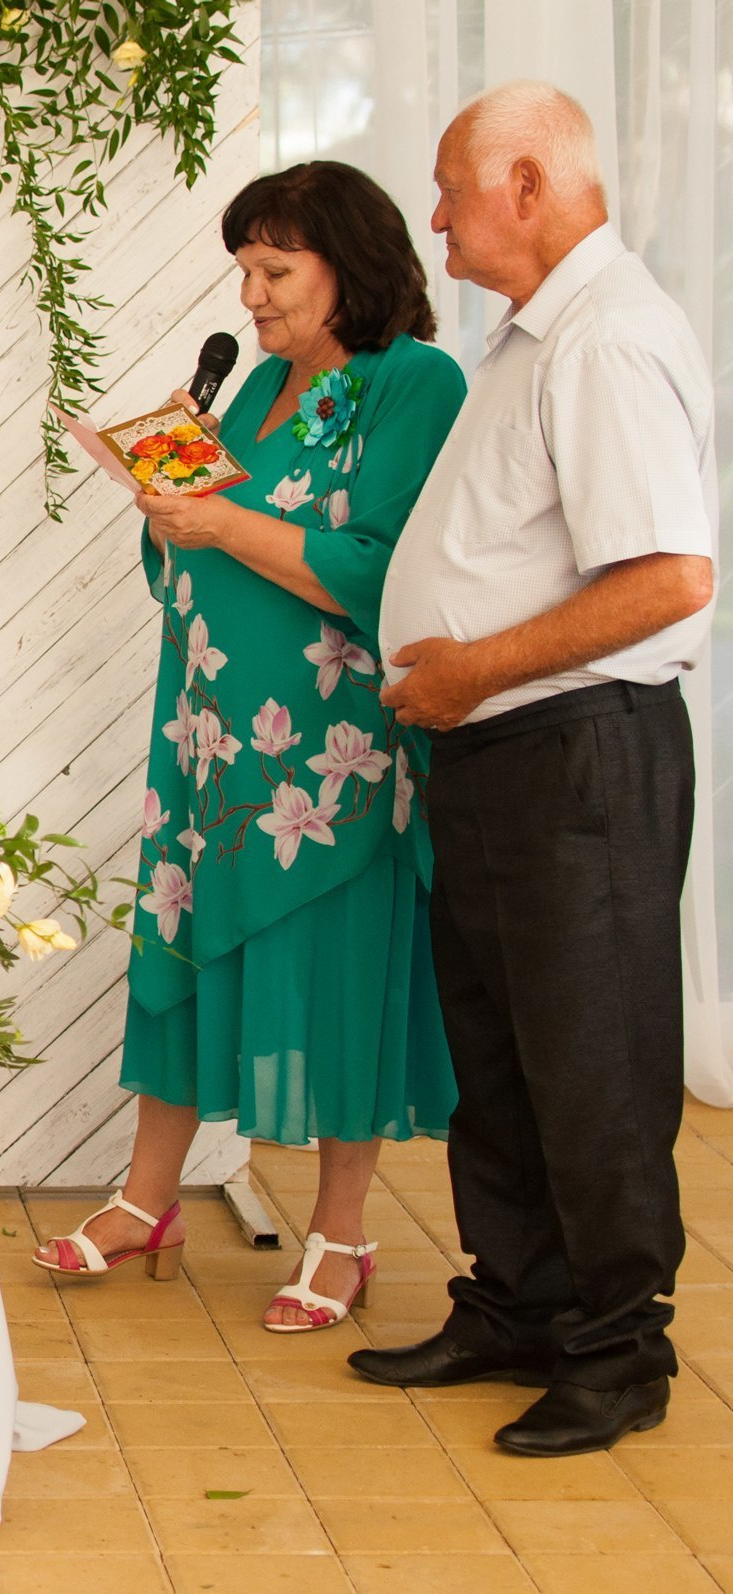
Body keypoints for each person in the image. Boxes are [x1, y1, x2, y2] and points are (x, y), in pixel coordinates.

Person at [34, 163, 468, 1334]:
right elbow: (193, 564)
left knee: (339, 966)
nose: (253, 294)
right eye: (245, 270)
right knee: (175, 944)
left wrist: (217, 516)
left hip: (332, 753)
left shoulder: (414, 383)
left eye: (275, 270)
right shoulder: (261, 382)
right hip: (208, 729)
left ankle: (341, 1232)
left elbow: (385, 565)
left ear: (351, 264)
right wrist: (166, 509)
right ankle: (147, 1199)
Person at [353, 82, 715, 1457]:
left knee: (591, 1059)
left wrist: (474, 668)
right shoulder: (534, 339)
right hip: (502, 751)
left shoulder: (609, 341)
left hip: (574, 752)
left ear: (524, 184)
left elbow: (670, 581)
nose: (433, 218)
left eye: (451, 189)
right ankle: (520, 1302)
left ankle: (619, 1352)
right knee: (498, 1056)